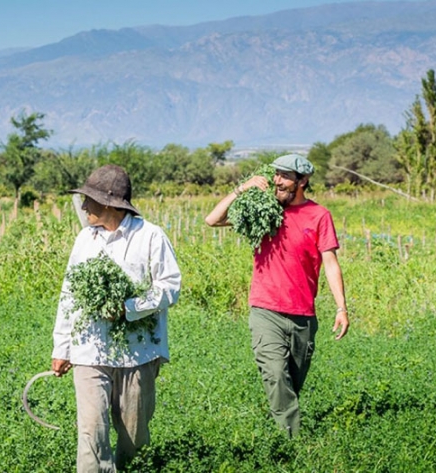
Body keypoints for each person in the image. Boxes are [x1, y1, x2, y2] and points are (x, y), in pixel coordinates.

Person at [205, 153, 349, 438]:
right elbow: (212, 220)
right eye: (276, 175)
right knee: (274, 373)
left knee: (290, 384)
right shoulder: (263, 209)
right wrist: (242, 189)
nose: (278, 181)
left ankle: (279, 428)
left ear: (303, 181)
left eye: (285, 176)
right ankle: (291, 443)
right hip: (265, 309)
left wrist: (341, 308)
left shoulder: (319, 216)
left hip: (303, 314)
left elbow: (331, 263)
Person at [51, 164, 182, 472]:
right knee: (91, 435)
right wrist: (62, 347)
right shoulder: (85, 239)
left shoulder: (150, 236)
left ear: (110, 203)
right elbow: (68, 294)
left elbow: (170, 287)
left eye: (89, 199)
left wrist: (129, 307)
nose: (83, 206)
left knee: (133, 437)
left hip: (137, 352)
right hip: (89, 350)